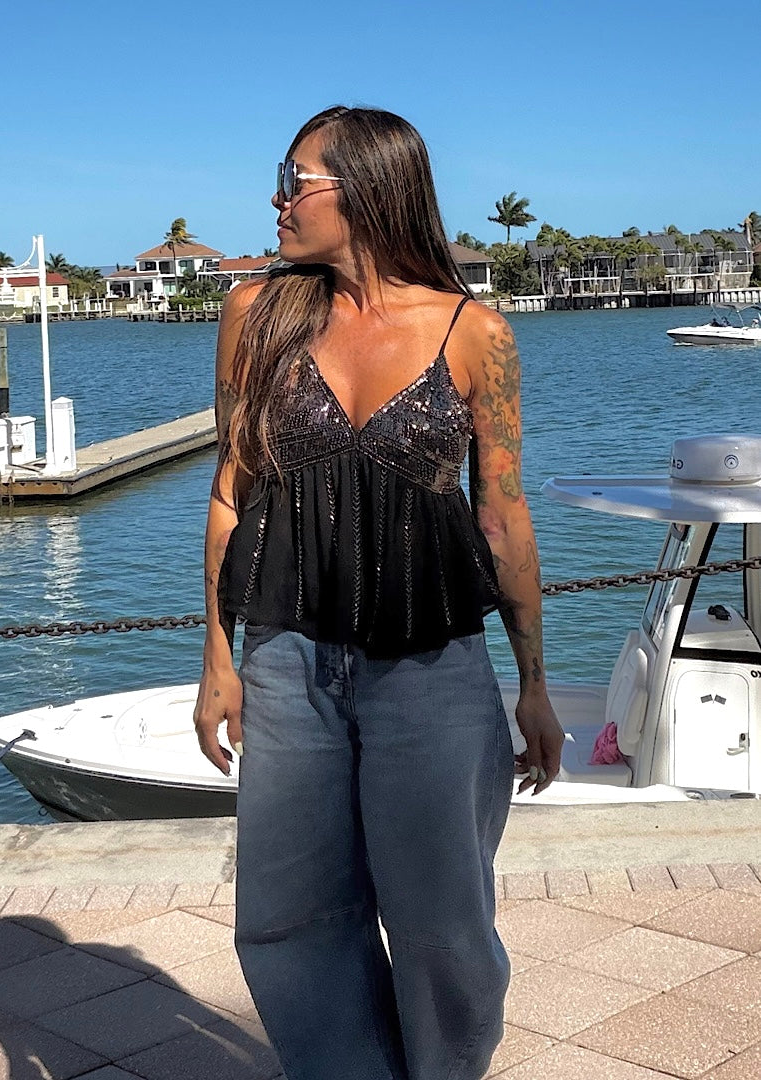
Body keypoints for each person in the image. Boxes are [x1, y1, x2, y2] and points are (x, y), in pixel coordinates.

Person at [193, 105, 564, 1080]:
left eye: (295, 176)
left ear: (364, 190)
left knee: (445, 924)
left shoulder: (474, 332)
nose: (276, 196)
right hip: (285, 657)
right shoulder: (254, 316)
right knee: (287, 916)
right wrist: (217, 657)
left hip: (431, 668)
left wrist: (533, 682)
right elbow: (233, 490)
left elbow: (505, 516)